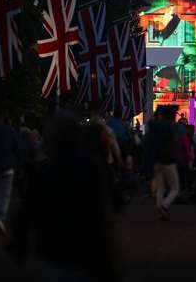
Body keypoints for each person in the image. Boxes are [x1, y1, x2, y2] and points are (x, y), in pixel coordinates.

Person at [8, 112, 120, 281]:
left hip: (51, 251)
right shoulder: (91, 169)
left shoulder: (43, 171)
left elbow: (26, 211)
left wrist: (19, 245)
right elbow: (100, 216)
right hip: (83, 252)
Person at [0, 109, 20, 235]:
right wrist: (17, 165)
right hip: (8, 167)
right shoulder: (10, 131)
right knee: (4, 195)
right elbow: (17, 149)